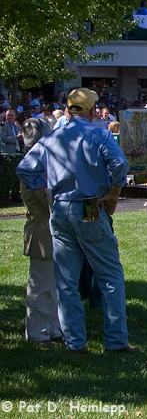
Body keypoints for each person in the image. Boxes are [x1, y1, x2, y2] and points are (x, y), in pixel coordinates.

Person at [16, 88, 134, 353]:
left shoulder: (52, 137)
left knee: (66, 280)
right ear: (92, 111)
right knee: (110, 275)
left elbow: (24, 168)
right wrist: (113, 194)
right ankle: (116, 342)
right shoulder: (98, 133)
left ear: (68, 110)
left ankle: (74, 343)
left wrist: (42, 186)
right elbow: (120, 164)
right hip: (89, 205)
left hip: (60, 208)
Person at [19, 118, 62, 346]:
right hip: (40, 232)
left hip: (47, 232)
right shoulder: (31, 168)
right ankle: (37, 332)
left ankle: (52, 328)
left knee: (52, 286)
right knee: (40, 286)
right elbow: (46, 199)